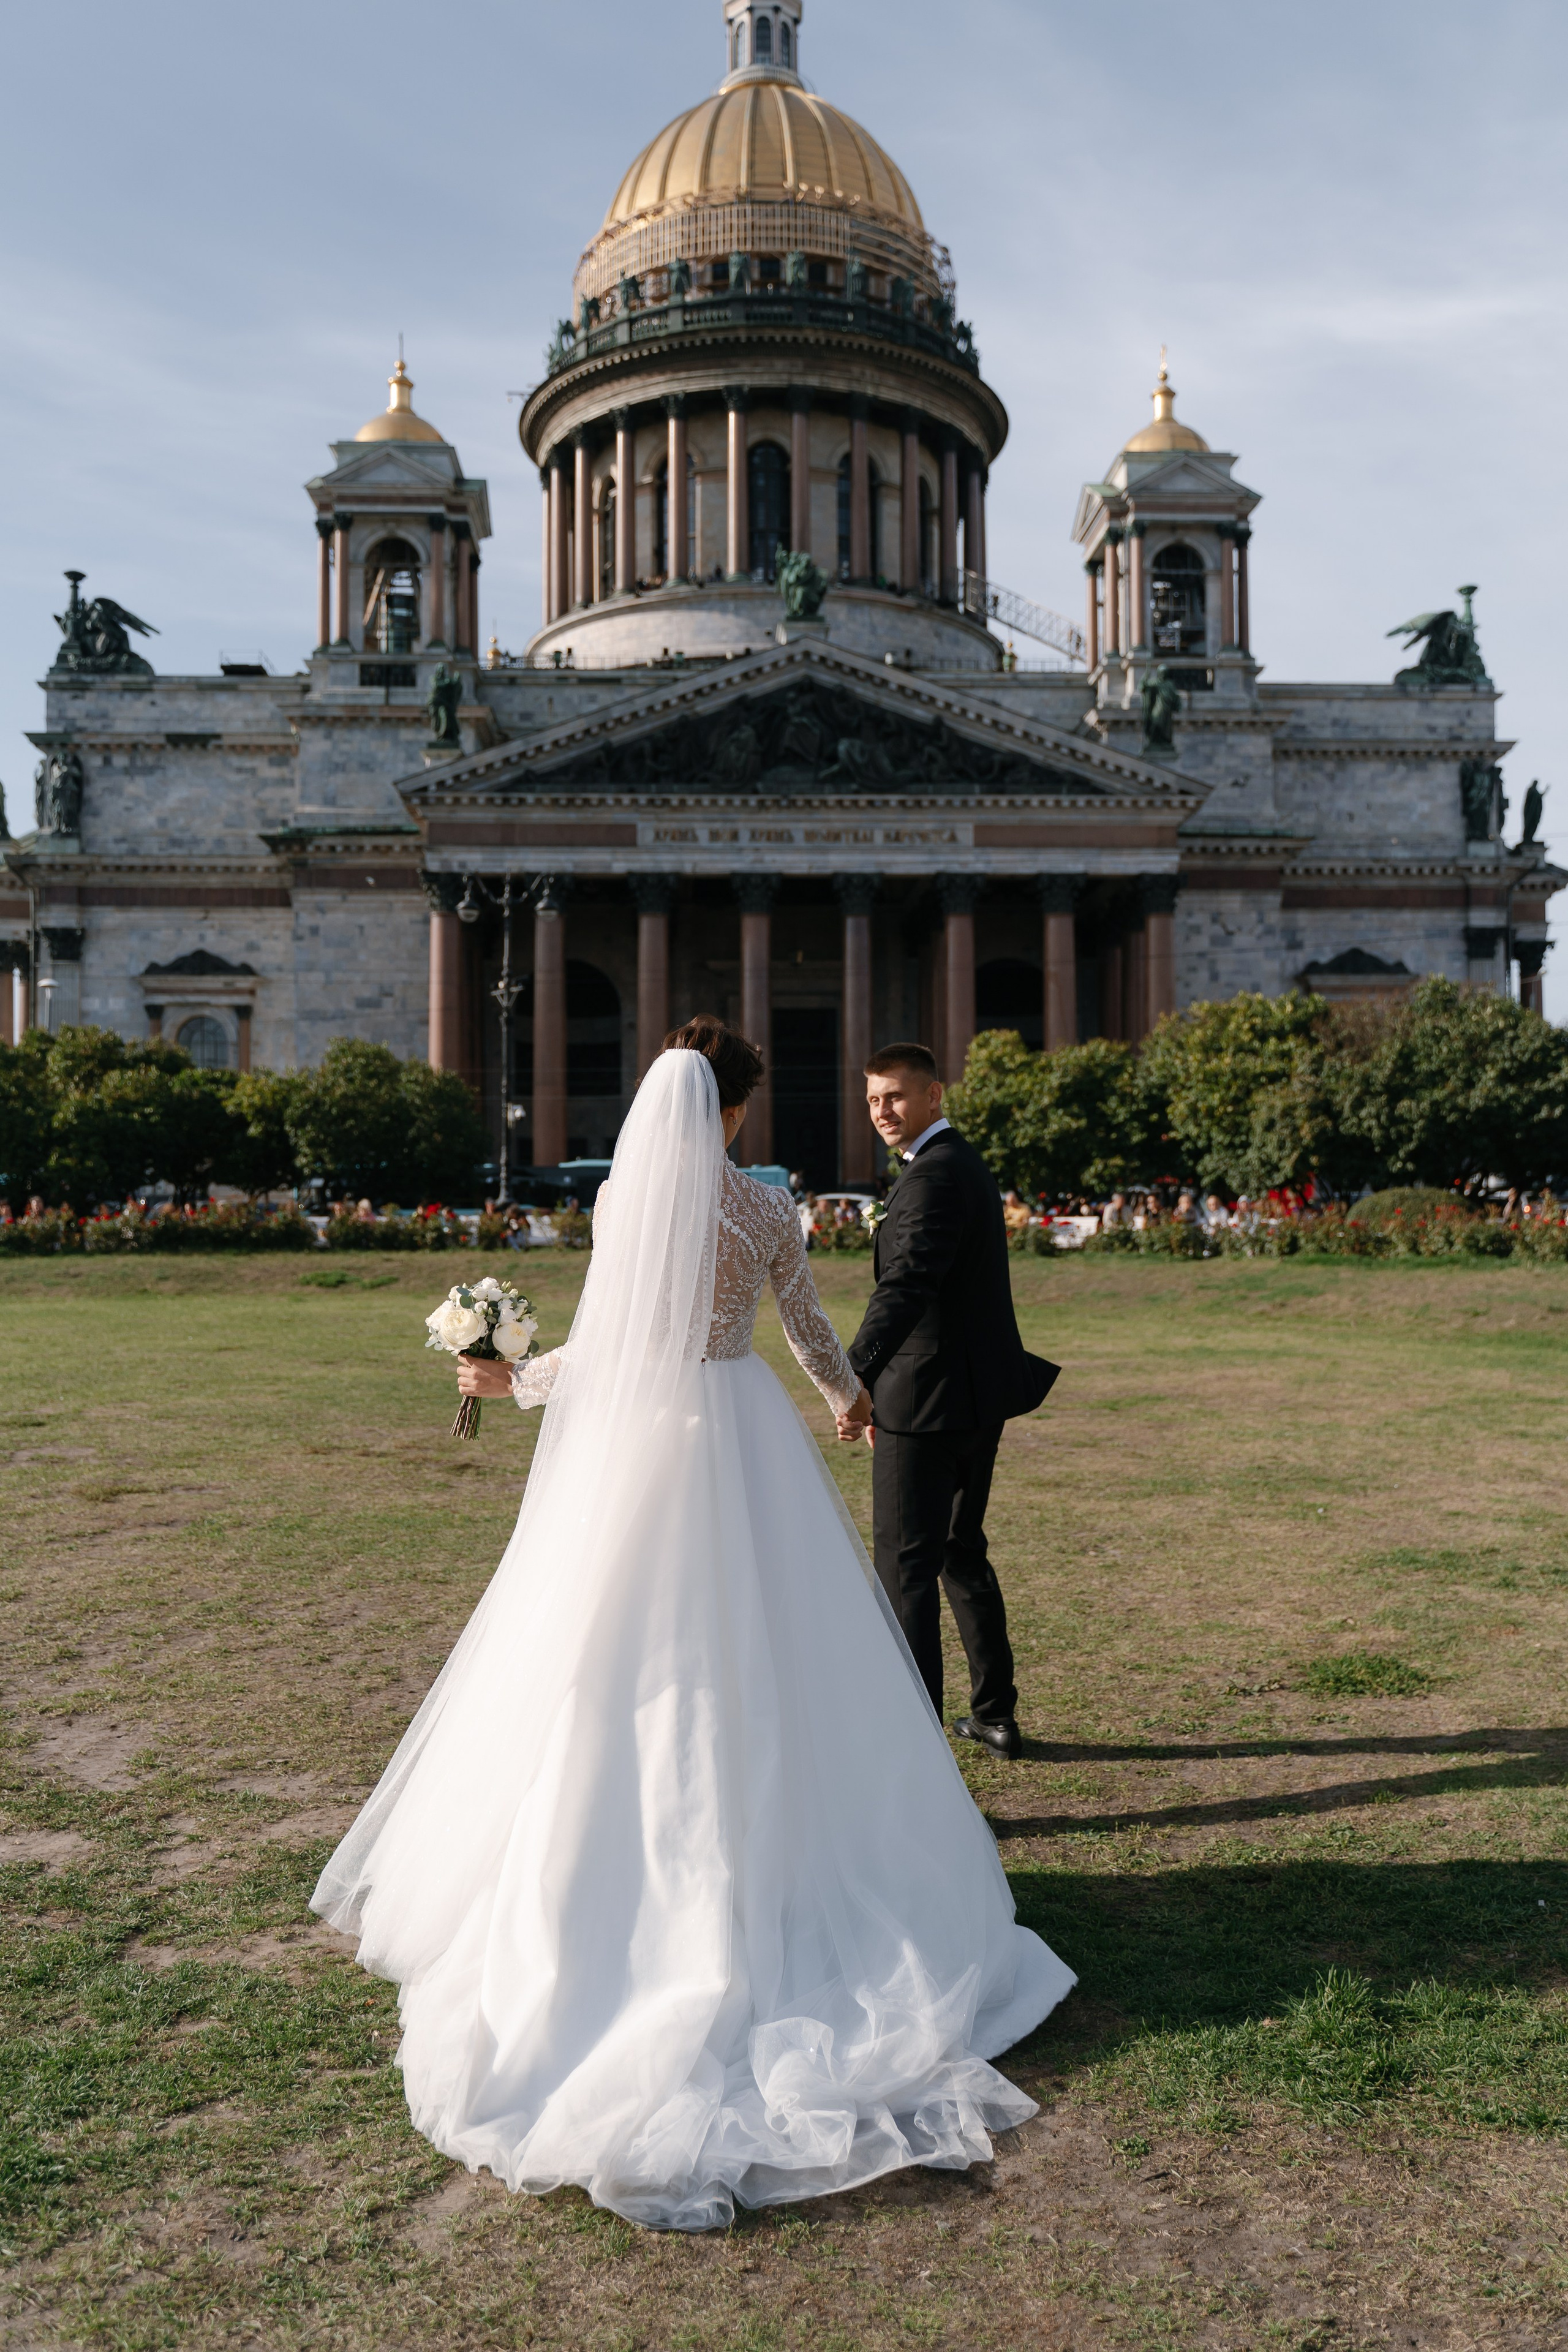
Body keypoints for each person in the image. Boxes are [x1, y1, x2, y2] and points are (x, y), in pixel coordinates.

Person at [312, 1017, 1074, 2231]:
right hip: (738, 1430)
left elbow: (612, 1350)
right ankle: (781, 1875)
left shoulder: (622, 1201)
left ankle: (600, 1886)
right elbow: (808, 1330)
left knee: (617, 1662)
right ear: (736, 1112)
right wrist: (845, 1402)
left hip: (639, 1447)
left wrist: (515, 1378)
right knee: (772, 1654)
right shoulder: (769, 1208)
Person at [834, 1045, 1058, 1763]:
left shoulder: (934, 1175)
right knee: (961, 1554)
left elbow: (905, 1287)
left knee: (906, 1571)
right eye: (872, 1100)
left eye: (895, 1097)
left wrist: (853, 1380)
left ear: (933, 1094)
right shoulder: (957, 1163)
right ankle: (994, 1715)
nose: (882, 1113)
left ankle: (915, 1752)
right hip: (972, 1397)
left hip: (923, 1402)